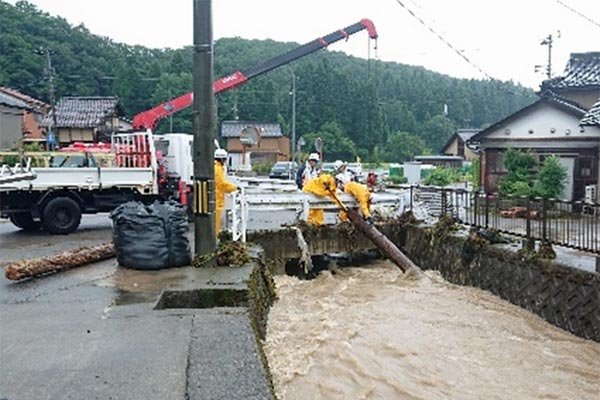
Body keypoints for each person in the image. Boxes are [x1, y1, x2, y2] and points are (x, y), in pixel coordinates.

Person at [214, 148, 237, 234]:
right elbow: (222, 184)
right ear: (222, 159)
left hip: (217, 199)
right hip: (217, 199)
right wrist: (234, 188)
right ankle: (214, 241)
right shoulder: (218, 169)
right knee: (216, 224)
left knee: (217, 224)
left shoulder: (217, 167)